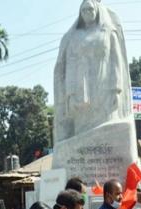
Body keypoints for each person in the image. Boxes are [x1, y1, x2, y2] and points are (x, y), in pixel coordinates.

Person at [53, 0, 133, 142]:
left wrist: (116, 90)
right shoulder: (74, 37)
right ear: (80, 13)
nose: (87, 13)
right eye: (84, 10)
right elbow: (69, 65)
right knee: (82, 130)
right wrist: (70, 94)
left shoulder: (108, 32)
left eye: (90, 9)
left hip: (104, 89)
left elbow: (116, 61)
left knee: (108, 127)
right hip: (81, 91)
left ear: (97, 10)